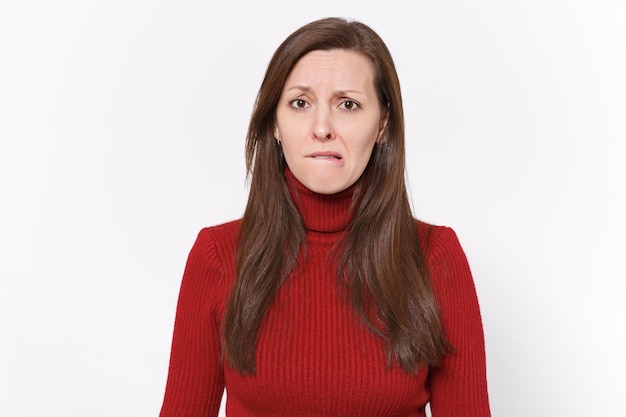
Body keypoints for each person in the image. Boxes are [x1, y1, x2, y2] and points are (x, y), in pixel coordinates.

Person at [159, 17, 491, 417]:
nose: (322, 128)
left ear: (383, 123)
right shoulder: (218, 257)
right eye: (300, 103)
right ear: (276, 125)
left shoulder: (434, 258)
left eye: (347, 104)